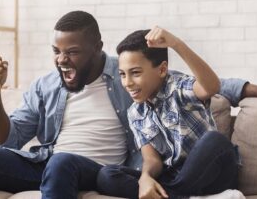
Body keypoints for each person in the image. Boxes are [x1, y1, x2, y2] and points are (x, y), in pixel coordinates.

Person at [0, 10, 257, 199]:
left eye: (72, 52)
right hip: (50, 163)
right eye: (56, 51)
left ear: (97, 48)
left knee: (66, 162)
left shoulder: (131, 77)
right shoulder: (47, 85)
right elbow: (6, 140)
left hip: (91, 167)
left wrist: (248, 87)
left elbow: (205, 85)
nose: (61, 59)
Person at [96, 28, 243, 199]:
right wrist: (145, 177)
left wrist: (176, 44)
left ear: (162, 70)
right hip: (176, 177)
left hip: (213, 175)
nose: (127, 83)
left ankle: (178, 194)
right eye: (122, 74)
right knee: (107, 175)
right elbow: (152, 160)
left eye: (135, 73)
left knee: (215, 140)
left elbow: (212, 87)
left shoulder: (179, 87)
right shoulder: (135, 113)